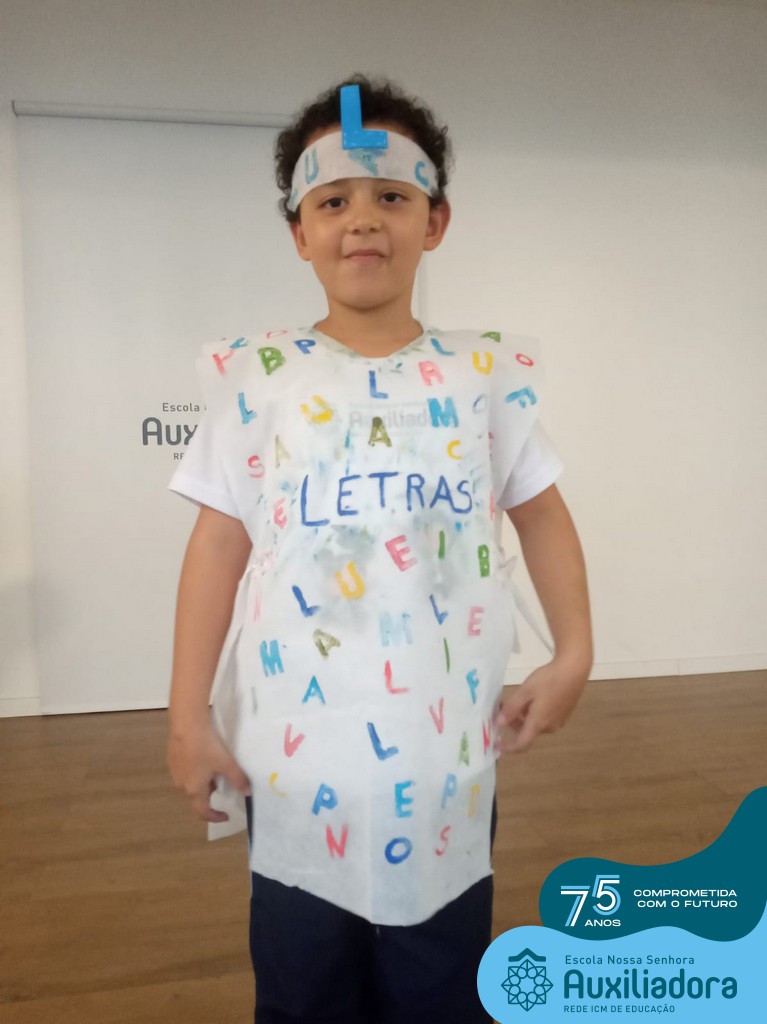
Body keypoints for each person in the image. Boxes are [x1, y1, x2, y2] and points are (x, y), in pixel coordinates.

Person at [166, 73, 593, 1024]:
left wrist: (575, 652)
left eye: (391, 195)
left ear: (435, 221)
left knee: (439, 987)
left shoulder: (481, 379)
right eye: (333, 202)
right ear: (299, 232)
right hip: (294, 765)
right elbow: (217, 546)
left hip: (442, 764)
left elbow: (542, 514)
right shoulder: (258, 382)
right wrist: (187, 713)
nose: (362, 219)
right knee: (303, 989)